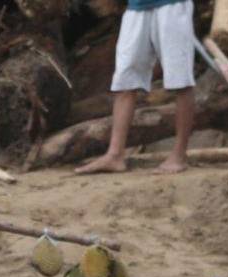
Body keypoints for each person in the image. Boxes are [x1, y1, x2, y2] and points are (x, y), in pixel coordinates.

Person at [77, 0, 196, 175]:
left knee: (181, 80)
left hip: (172, 6)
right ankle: (115, 154)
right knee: (125, 81)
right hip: (136, 8)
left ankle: (179, 155)